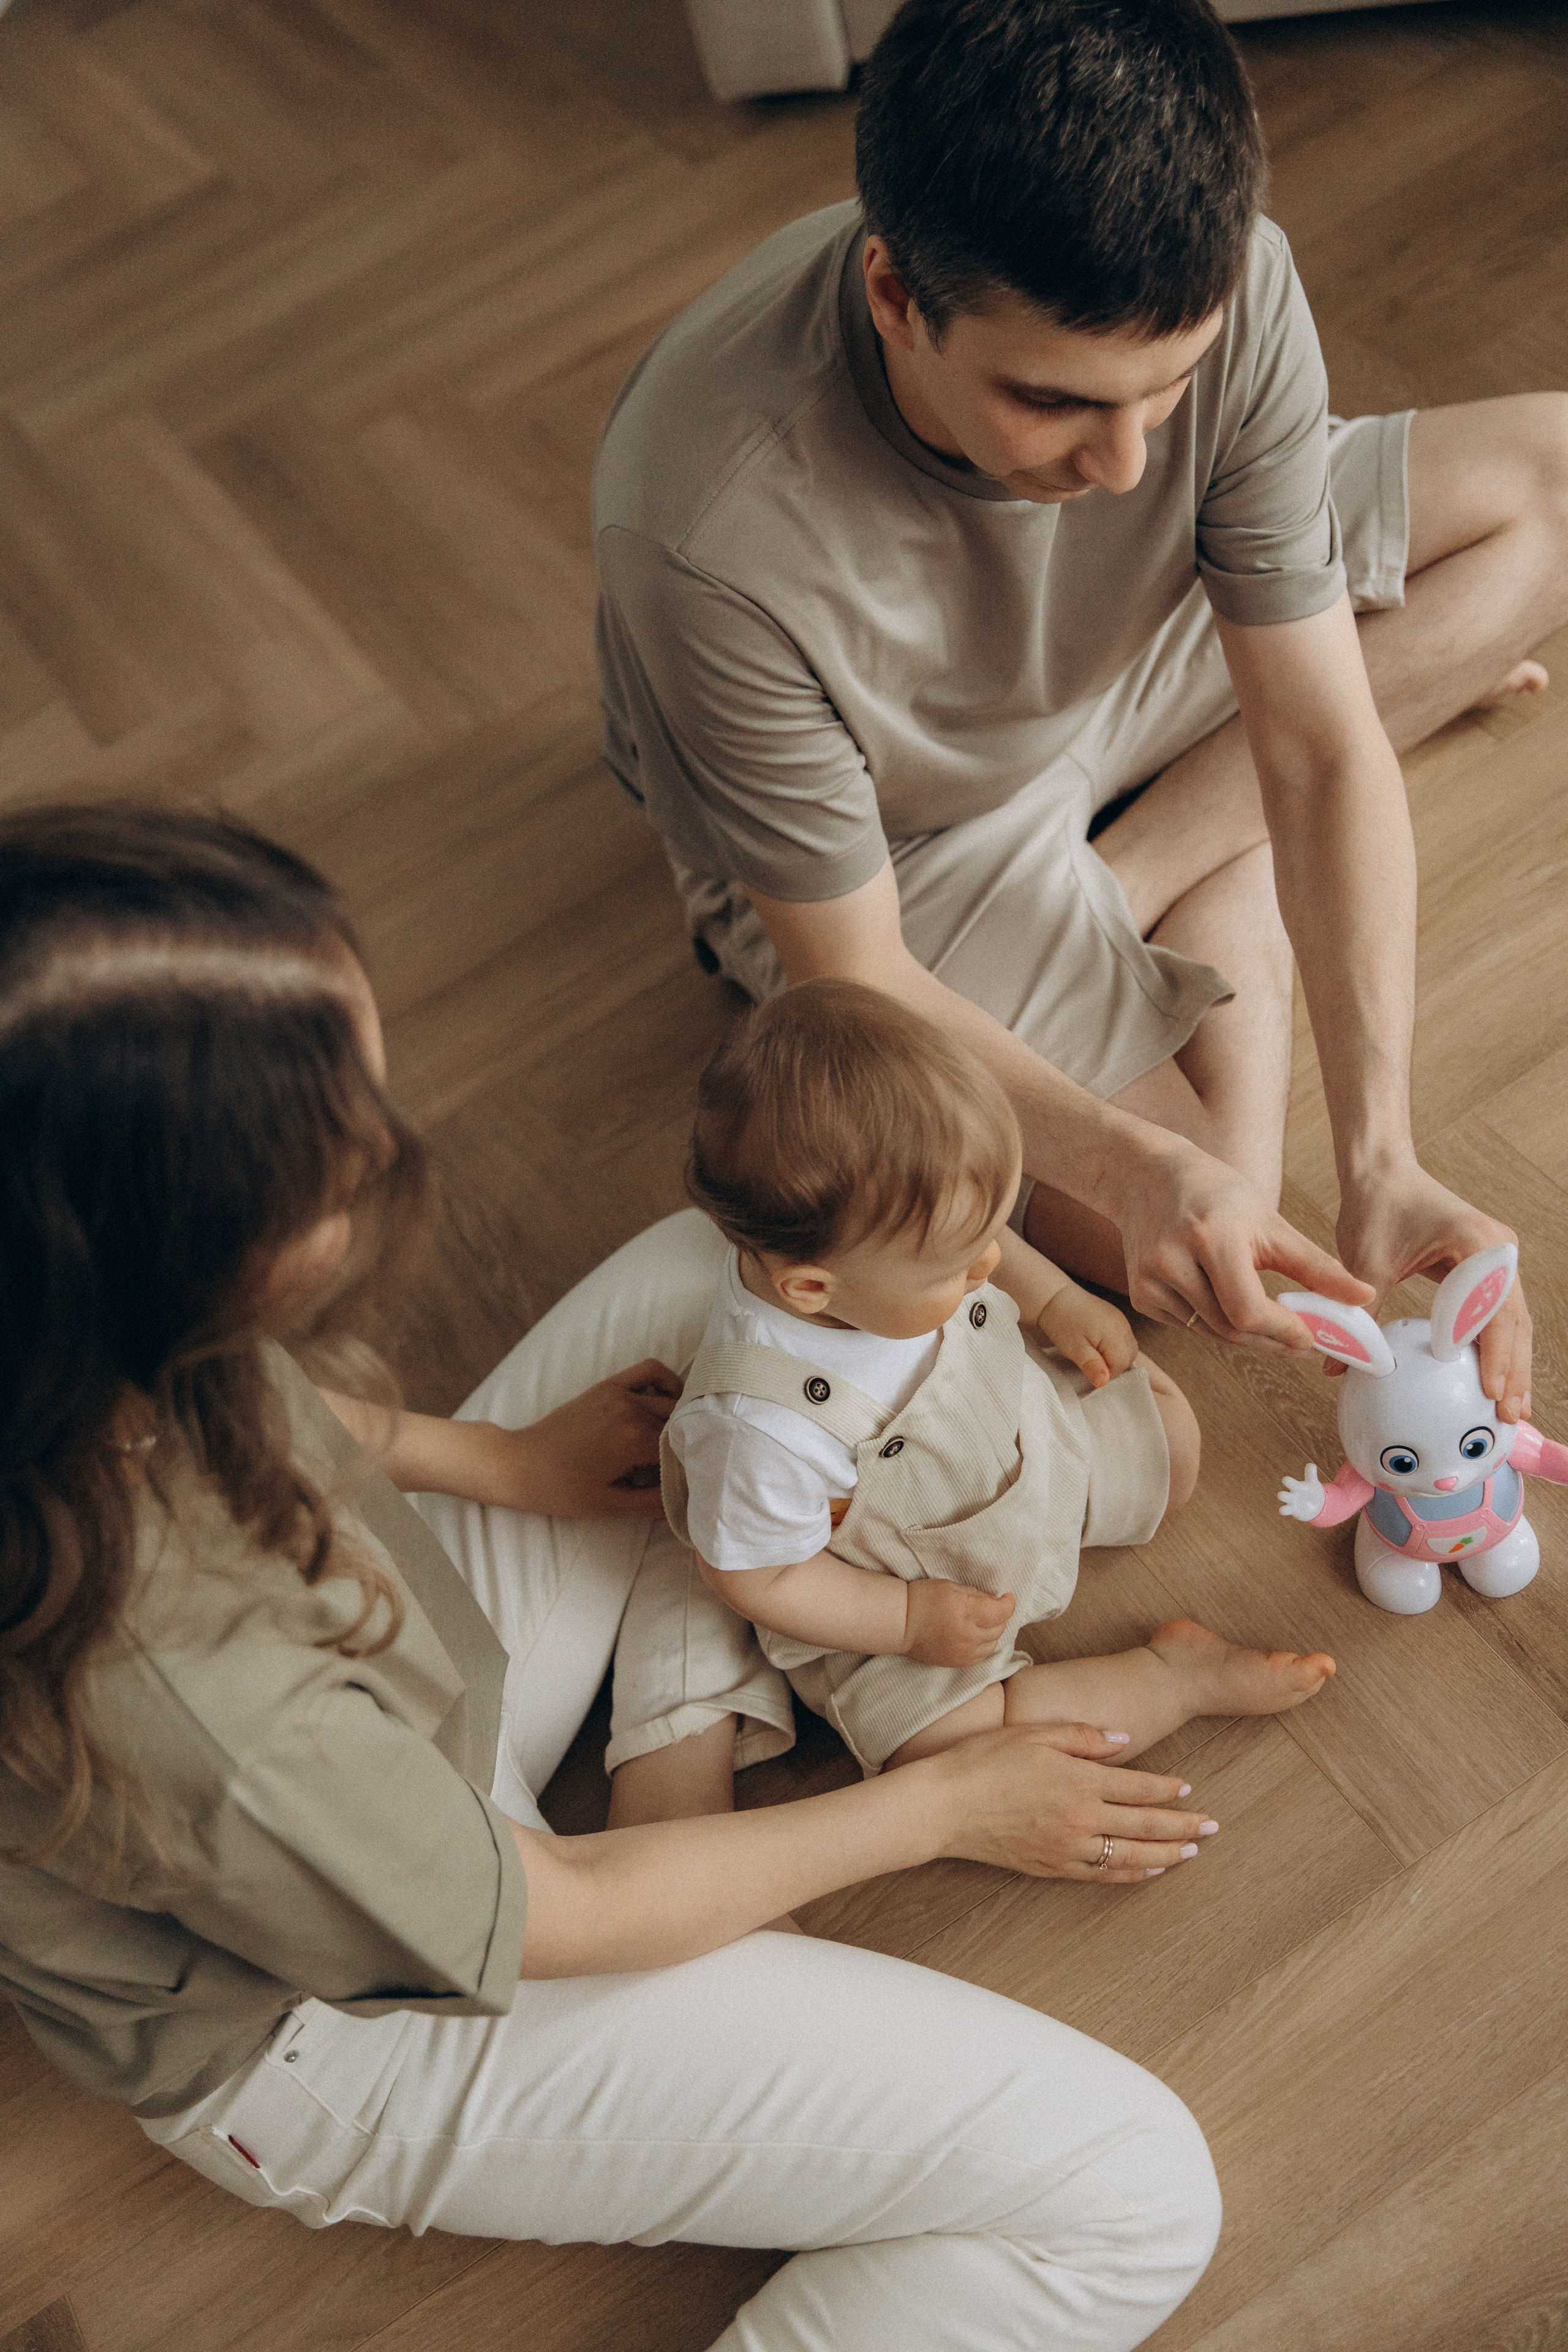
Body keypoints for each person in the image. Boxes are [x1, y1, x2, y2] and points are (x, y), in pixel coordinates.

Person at [0, 805, 1223, 2352]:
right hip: (344, 2025)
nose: (386, 1151)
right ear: (167, 1248)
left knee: (689, 1279)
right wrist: (935, 1808)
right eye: (338, 1145)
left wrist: (494, 1462)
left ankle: (680, 1773)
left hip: (402, 1728)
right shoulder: (187, 1702)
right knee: (1129, 2189)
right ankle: (688, 1820)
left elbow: (272, 1401)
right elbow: (550, 1910)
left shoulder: (57, 1322)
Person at [593, 0, 1563, 1424]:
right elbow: (851, 969)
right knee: (1180, 1241)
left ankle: (1142, 864)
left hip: (1152, 640)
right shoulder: (704, 520)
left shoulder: (1227, 282)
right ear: (890, 296)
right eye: (1053, 403)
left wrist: (1381, 1155)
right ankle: (1191, 855)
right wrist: (1136, 1166)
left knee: (1551, 486)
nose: (1120, 465)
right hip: (904, 844)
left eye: (1166, 391)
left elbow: (1312, 740)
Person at [660, 979, 1333, 1785]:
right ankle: (1175, 1678)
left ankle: (1070, 1505)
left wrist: (1055, 1302)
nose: (989, 1263)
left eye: (992, 1229)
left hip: (1023, 1449)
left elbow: (987, 1249)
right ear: (812, 1290)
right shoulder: (761, 1431)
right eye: (961, 1261)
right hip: (901, 1587)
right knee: (950, 1747)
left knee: (1175, 1451)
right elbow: (756, 1575)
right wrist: (908, 1621)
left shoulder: (899, 1249)